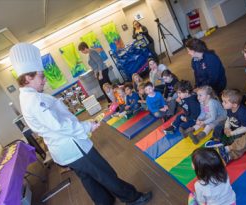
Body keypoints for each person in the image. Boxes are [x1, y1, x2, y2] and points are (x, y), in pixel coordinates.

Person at [9, 43, 152, 205]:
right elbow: (59, 126)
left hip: (65, 150)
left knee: (89, 179)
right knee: (105, 173)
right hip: (72, 146)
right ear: (28, 78)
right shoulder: (34, 100)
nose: (44, 80)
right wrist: (87, 127)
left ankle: (105, 202)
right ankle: (133, 198)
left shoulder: (29, 97)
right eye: (41, 76)